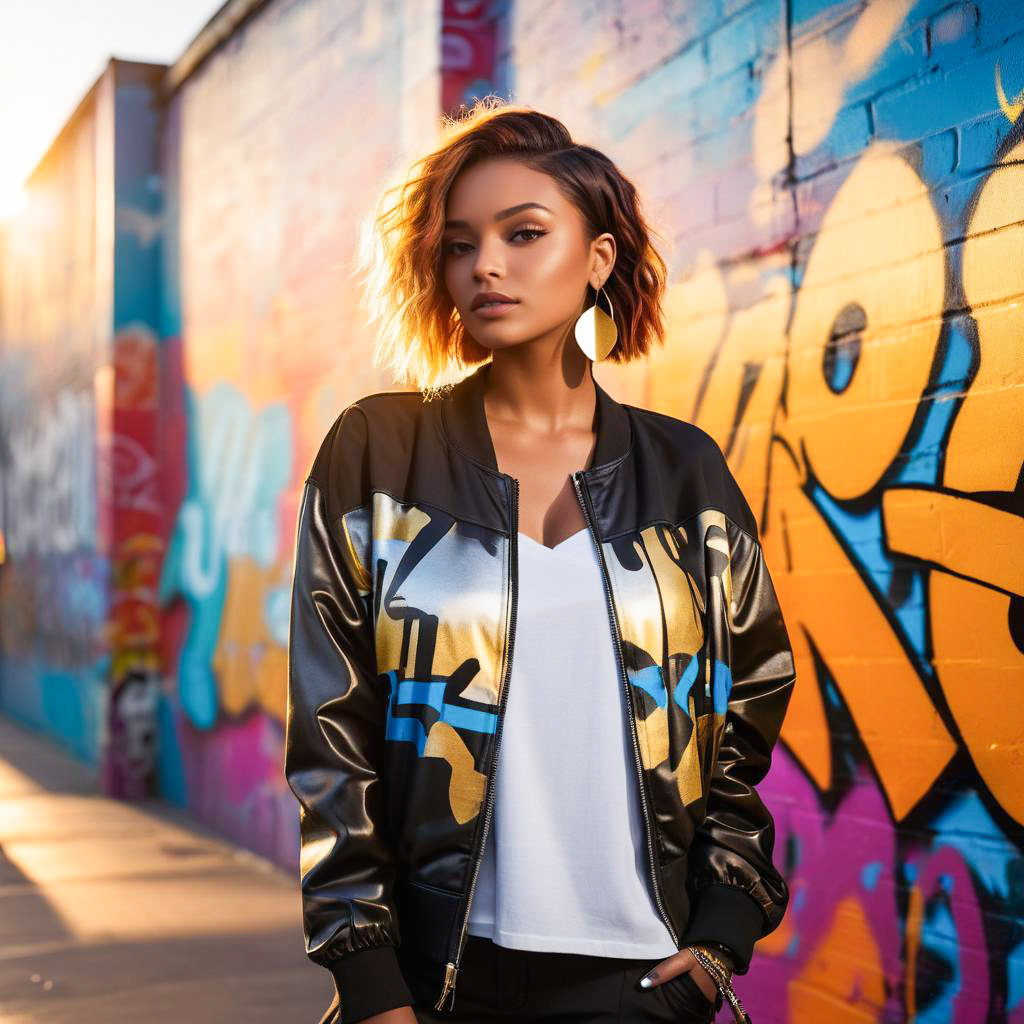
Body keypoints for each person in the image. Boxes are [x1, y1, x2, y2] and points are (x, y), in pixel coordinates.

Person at [284, 98, 796, 1024]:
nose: (486, 264)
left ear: (598, 259)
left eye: (524, 234)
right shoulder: (378, 451)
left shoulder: (684, 473)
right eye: (459, 244)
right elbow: (332, 730)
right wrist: (366, 974)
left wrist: (721, 934)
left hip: (639, 979)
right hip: (436, 975)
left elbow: (748, 705)